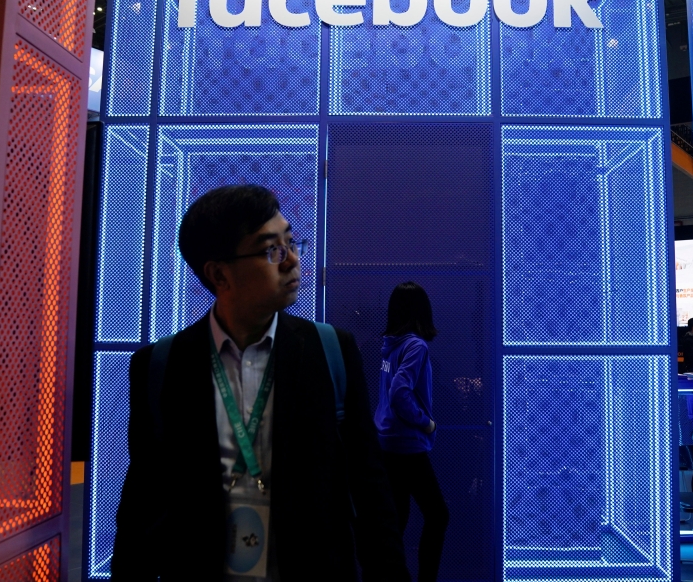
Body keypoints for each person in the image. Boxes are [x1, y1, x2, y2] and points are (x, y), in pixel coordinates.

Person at [110, 184, 409, 581]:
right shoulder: (161, 366)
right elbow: (143, 502)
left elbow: (370, 491)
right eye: (272, 250)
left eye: (290, 241)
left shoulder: (331, 351)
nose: (292, 260)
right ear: (219, 274)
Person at [374, 283, 450, 582]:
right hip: (407, 444)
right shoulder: (416, 346)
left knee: (399, 519)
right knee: (438, 515)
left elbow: (388, 392)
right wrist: (426, 422)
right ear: (423, 310)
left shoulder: (390, 346)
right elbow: (399, 392)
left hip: (387, 442)